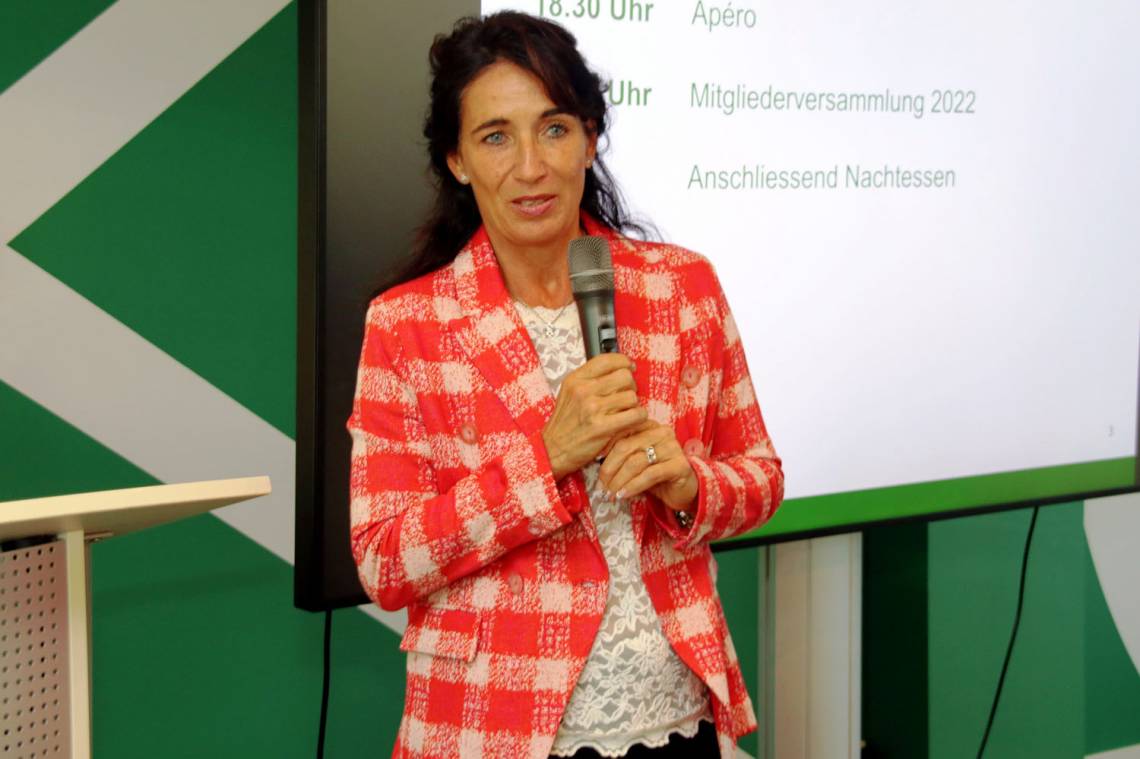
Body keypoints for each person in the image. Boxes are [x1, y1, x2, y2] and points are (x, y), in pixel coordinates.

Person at [347, 11, 783, 758]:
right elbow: (385, 560)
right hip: (490, 730)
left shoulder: (681, 287)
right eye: (495, 137)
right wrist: (544, 458)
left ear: (589, 136)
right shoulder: (409, 324)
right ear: (457, 160)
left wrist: (688, 485)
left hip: (675, 719)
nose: (530, 166)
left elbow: (761, 478)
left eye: (553, 129)